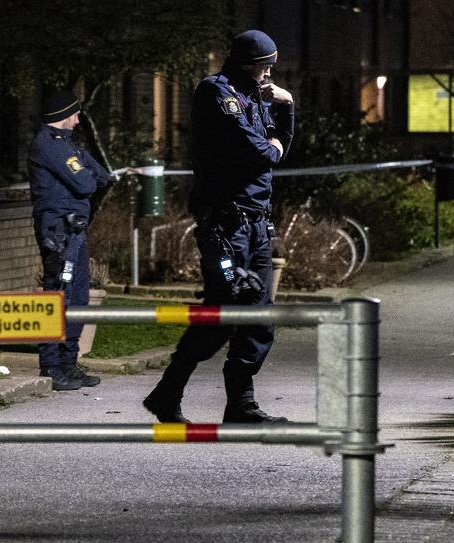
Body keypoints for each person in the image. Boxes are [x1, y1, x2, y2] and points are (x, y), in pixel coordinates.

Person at [143, 29, 295, 423]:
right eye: (266, 67)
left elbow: (276, 150)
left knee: (259, 317)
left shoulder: (255, 96)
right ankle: (168, 392)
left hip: (257, 224)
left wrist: (288, 106)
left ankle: (240, 403)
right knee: (224, 312)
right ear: (251, 64)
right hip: (227, 227)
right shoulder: (218, 94)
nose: (269, 75)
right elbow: (258, 153)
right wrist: (274, 147)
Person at [28, 90, 112, 390]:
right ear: (62, 115)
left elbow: (104, 176)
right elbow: (87, 182)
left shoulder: (66, 145)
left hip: (74, 229)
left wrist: (84, 163)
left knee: (78, 297)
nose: (78, 120)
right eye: (75, 114)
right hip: (58, 231)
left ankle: (69, 363)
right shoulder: (49, 146)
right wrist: (84, 168)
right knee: (58, 295)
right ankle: (52, 365)